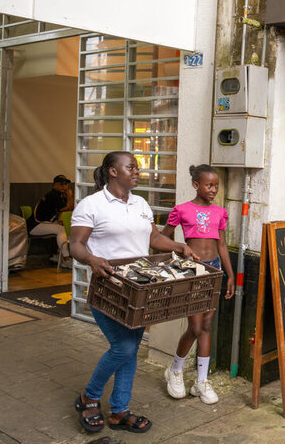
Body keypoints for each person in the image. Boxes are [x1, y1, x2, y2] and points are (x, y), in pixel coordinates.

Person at [68, 151, 197, 434]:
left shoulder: (140, 203)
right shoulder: (91, 205)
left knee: (131, 350)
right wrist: (92, 259)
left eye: (137, 168)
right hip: (109, 287)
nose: (138, 172)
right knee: (123, 347)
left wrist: (178, 246)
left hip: (140, 288)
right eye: (132, 167)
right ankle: (89, 396)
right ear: (113, 171)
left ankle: (119, 411)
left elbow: (152, 237)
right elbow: (75, 244)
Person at [161, 164, 235, 405]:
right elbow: (164, 237)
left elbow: (221, 245)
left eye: (216, 185)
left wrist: (230, 275)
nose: (213, 189)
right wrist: (173, 261)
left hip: (214, 270)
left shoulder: (220, 212)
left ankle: (201, 381)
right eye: (208, 185)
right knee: (195, 327)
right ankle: (175, 370)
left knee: (206, 324)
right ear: (196, 185)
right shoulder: (181, 210)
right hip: (192, 270)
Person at [27, 174, 74, 266]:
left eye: (65, 184)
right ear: (55, 185)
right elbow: (69, 208)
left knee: (62, 227)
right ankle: (66, 258)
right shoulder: (52, 195)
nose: (64, 187)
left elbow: (61, 212)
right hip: (34, 225)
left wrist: (60, 221)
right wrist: (70, 195)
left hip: (44, 223)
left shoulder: (59, 195)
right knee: (61, 230)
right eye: (61, 184)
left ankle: (58, 255)